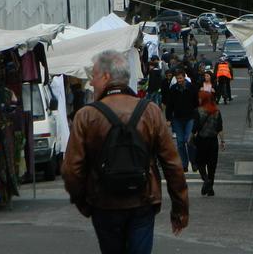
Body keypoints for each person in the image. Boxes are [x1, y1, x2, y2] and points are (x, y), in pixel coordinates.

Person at [63, 50, 188, 254]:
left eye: (93, 76)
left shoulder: (86, 116)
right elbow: (172, 165)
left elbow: (71, 169)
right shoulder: (151, 111)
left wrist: (84, 202)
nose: (91, 83)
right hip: (142, 199)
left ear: (106, 76)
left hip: (104, 203)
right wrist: (180, 209)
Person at [192, 90, 225, 196]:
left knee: (200, 163)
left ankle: (206, 180)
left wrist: (190, 138)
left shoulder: (198, 111)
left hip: (201, 140)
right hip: (213, 141)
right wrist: (222, 141)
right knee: (212, 165)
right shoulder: (216, 111)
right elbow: (219, 128)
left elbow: (195, 128)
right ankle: (210, 188)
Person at [165, 69, 198, 172]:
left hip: (190, 117)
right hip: (177, 119)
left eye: (181, 78)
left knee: (189, 141)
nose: (179, 80)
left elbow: (196, 104)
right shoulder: (173, 89)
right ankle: (184, 163)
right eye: (177, 78)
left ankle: (193, 162)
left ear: (184, 77)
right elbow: (169, 105)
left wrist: (197, 118)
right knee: (180, 142)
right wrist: (168, 118)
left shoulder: (191, 88)